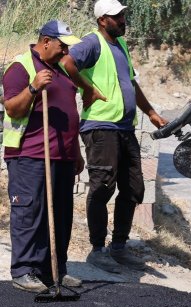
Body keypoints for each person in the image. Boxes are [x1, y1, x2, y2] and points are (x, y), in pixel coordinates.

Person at [60, 0, 166, 273]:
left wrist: (151, 112)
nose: (122, 20)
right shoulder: (92, 43)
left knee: (133, 188)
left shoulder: (120, 46)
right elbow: (67, 61)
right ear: (102, 20)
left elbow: (131, 82)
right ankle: (97, 249)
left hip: (124, 128)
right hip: (101, 126)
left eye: (123, 16)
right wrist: (87, 88)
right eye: (117, 17)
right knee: (102, 187)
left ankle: (118, 247)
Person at [2, 21, 85, 292]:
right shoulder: (21, 67)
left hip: (61, 157)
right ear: (46, 41)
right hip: (29, 156)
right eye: (62, 46)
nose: (65, 51)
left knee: (61, 216)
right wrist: (34, 88)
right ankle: (24, 270)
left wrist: (76, 152)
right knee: (30, 213)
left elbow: (70, 115)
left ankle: (54, 271)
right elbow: (12, 108)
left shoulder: (60, 69)